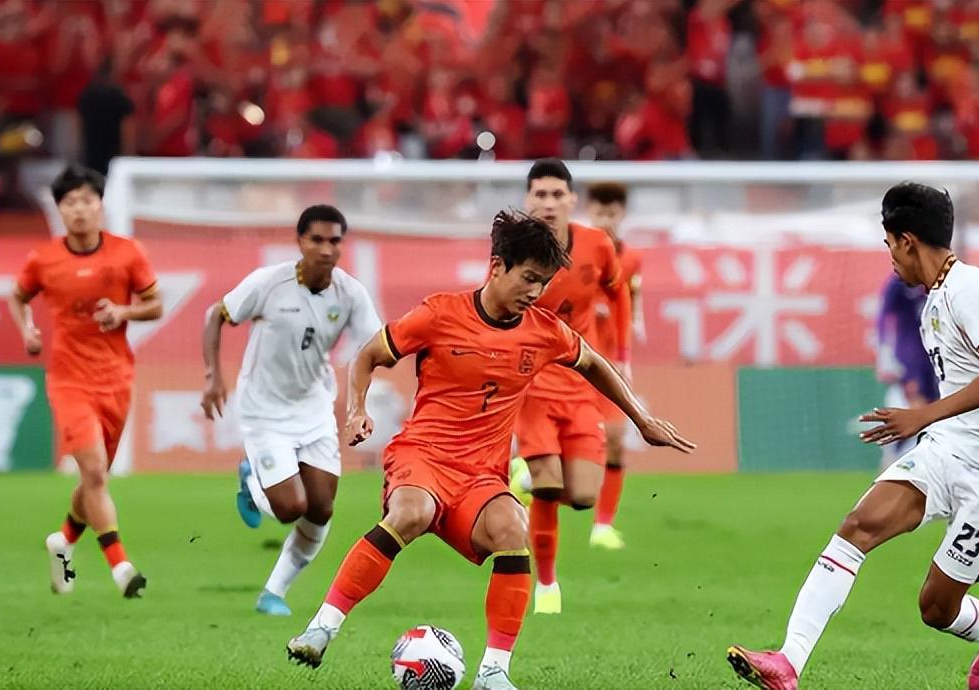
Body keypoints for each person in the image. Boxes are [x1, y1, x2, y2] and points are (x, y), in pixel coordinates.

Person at [285, 210, 693, 690]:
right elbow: (368, 355)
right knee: (412, 511)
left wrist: (641, 420)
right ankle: (321, 629)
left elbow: (593, 363)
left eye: (544, 282)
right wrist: (357, 410)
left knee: (512, 528)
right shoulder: (439, 313)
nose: (536, 292)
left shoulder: (543, 331)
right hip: (423, 457)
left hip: (481, 477)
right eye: (529, 278)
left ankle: (493, 672)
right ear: (498, 266)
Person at [728, 182, 979, 690]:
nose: (890, 257)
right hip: (950, 451)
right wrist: (934, 423)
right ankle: (788, 662)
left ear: (906, 241)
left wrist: (922, 416)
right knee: (858, 526)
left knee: (936, 607)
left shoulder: (972, 288)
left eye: (889, 245)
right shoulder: (934, 299)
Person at [200, 204, 382, 616]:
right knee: (289, 508)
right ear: (300, 241)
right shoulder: (269, 283)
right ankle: (252, 480)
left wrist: (359, 407)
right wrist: (212, 376)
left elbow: (373, 349)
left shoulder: (350, 293)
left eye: (334, 240)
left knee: (321, 509)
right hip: (263, 410)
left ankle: (273, 593)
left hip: (313, 408)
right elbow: (215, 315)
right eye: (316, 240)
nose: (326, 249)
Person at [8, 165, 163, 598]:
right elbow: (18, 297)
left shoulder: (127, 252)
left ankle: (63, 542)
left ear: (100, 205)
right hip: (68, 379)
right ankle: (121, 568)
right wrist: (27, 331)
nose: (79, 210)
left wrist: (124, 311)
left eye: (86, 200)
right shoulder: (43, 259)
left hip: (116, 378)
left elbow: (155, 304)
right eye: (70, 202)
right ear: (60, 210)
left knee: (96, 479)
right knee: (94, 471)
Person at [511, 160, 633, 614]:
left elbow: (618, 292)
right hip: (530, 384)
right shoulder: (512, 248)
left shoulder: (597, 245)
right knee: (548, 487)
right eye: (540, 195)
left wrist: (622, 355)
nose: (548, 203)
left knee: (581, 496)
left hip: (579, 381)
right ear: (528, 200)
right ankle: (546, 587)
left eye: (556, 194)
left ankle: (526, 476)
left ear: (571, 200)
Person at [583, 181, 643, 550]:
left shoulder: (631, 258)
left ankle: (603, 526)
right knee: (551, 450)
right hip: (573, 364)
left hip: (609, 365)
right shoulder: (574, 252)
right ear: (589, 212)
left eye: (612, 213)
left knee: (617, 441)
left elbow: (630, 305)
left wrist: (625, 356)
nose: (605, 219)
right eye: (599, 212)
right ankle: (523, 496)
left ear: (621, 214)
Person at [875, 273, 940, 467]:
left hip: (934, 364)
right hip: (909, 364)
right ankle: (892, 458)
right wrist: (885, 355)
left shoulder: (941, 282)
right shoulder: (899, 283)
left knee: (931, 418)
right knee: (917, 412)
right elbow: (884, 316)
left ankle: (897, 458)